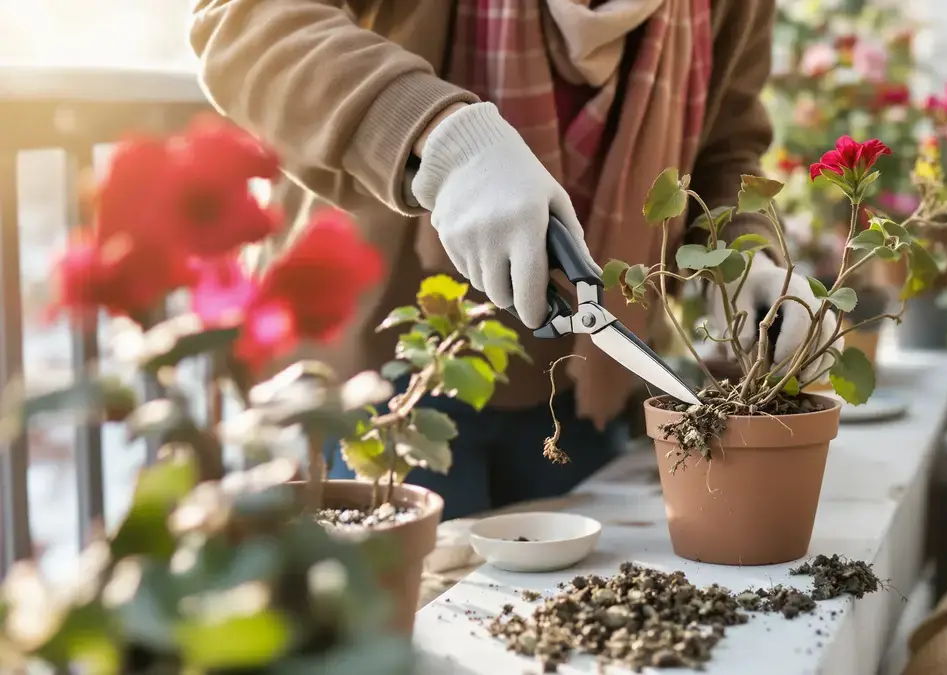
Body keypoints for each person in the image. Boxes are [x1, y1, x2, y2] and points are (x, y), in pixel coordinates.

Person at [189, 0, 836, 520]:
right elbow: (244, 23)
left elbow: (726, 145)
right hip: (389, 376)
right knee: (409, 614)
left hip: (584, 388)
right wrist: (439, 137)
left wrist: (748, 259)